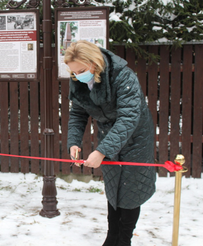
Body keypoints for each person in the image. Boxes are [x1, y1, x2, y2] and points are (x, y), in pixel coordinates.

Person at [64, 40, 156, 246]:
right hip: (108, 132)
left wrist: (102, 151)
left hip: (136, 136)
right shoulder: (78, 80)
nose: (77, 76)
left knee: (131, 188)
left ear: (93, 64)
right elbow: (78, 113)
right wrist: (74, 142)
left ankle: (124, 239)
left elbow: (128, 118)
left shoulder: (122, 75)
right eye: (73, 72)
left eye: (80, 70)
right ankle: (111, 235)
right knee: (114, 185)